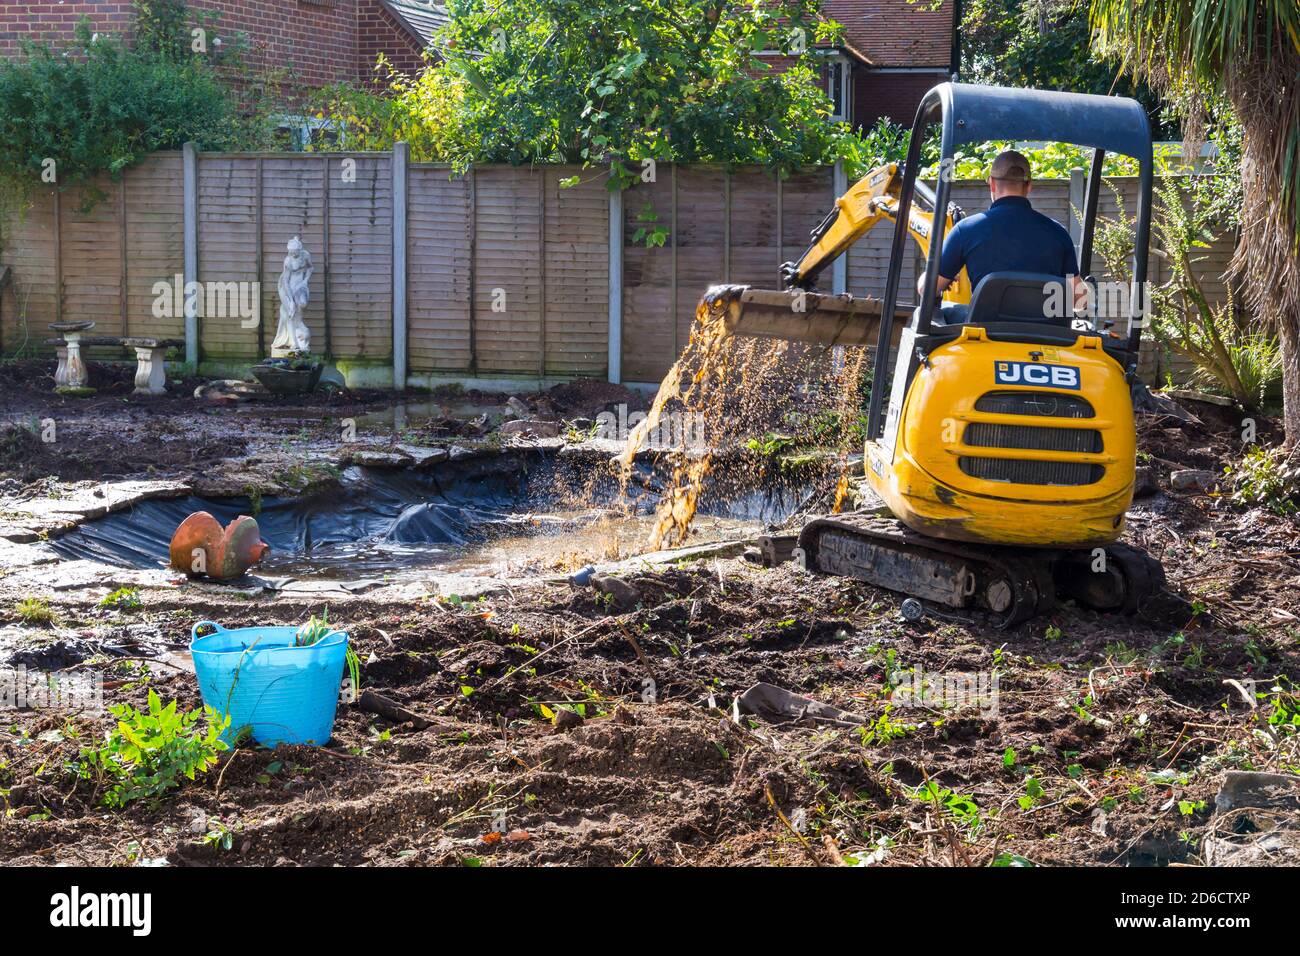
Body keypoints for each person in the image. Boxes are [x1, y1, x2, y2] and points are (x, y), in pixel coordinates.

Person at [919, 149, 1085, 317]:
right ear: (1029, 186)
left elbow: (926, 289)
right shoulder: (1058, 233)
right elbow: (1080, 301)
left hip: (984, 330)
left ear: (992, 184)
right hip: (1046, 332)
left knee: (943, 311)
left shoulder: (965, 230)